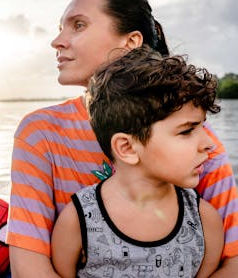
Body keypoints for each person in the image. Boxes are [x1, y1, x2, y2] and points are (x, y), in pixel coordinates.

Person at [7, 0, 238, 277]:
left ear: (131, 42)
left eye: (78, 25)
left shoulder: (197, 141)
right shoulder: (40, 133)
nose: (57, 41)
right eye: (60, 27)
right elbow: (30, 268)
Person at [51, 46, 225, 278]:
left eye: (202, 127)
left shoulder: (204, 222)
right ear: (127, 148)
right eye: (186, 132)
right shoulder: (79, 221)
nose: (209, 144)